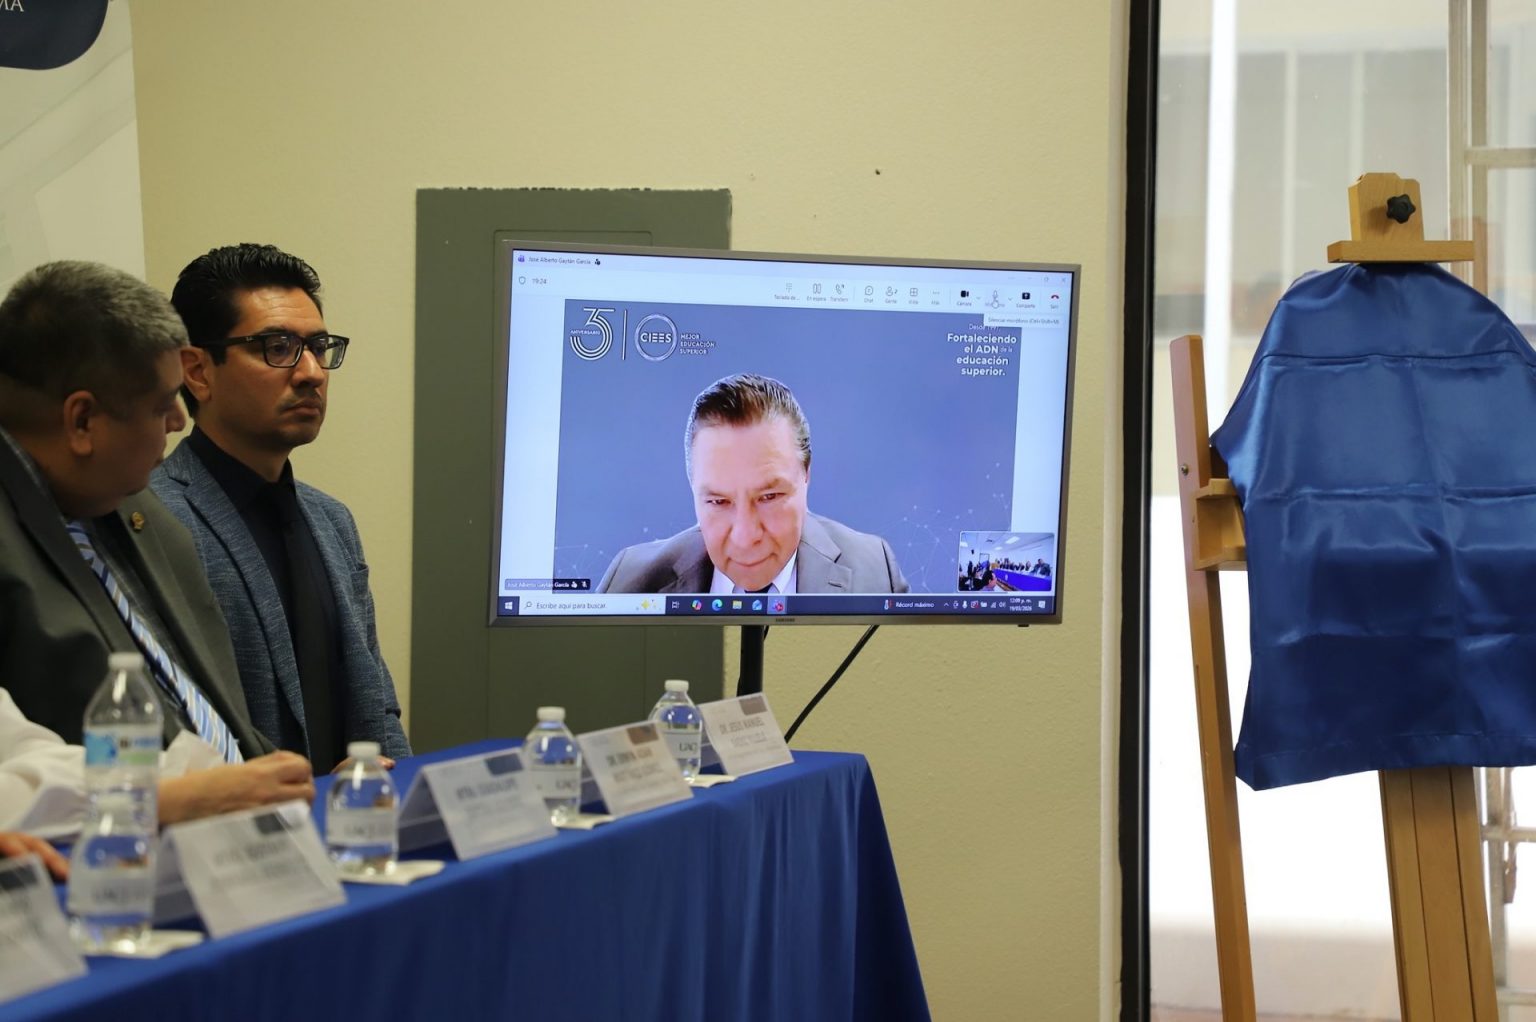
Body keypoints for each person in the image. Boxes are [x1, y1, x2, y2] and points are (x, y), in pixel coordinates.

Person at [0, 261, 314, 837]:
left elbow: (218, 717)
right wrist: (174, 798)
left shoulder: (137, 508)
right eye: (163, 402)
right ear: (82, 421)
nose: (177, 420)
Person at [151, 244, 409, 771]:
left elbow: (376, 704)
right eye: (278, 347)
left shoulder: (332, 520)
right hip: (232, 819)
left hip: (355, 819)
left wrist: (403, 793)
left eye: (319, 347)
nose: (312, 372)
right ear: (197, 371)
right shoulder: (151, 517)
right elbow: (162, 726)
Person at [597, 373, 908, 595]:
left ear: (807, 474)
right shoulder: (630, 581)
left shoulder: (875, 574)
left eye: (769, 496)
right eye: (718, 502)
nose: (745, 538)